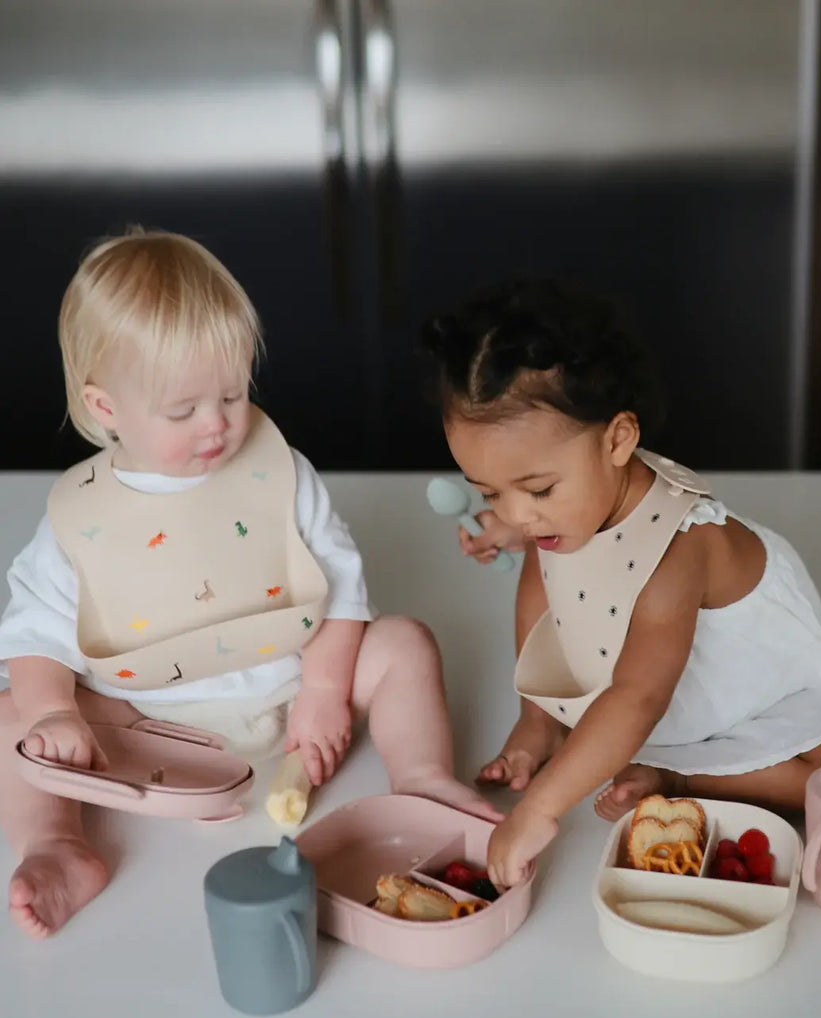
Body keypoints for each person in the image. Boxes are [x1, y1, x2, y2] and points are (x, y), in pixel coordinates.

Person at [0, 228, 496, 939]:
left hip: (285, 698)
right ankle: (58, 845)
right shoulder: (83, 519)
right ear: (106, 409)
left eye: (233, 394)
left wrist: (324, 692)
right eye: (184, 410)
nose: (218, 425)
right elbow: (33, 632)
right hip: (139, 729)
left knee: (402, 642)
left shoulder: (276, 473)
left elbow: (342, 589)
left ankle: (420, 779)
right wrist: (54, 713)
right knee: (11, 712)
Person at [423, 279, 821, 889]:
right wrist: (509, 527)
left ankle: (680, 780)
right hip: (649, 679)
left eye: (538, 489)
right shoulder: (567, 507)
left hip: (739, 688)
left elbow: (638, 698)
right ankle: (540, 718)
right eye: (490, 491)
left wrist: (541, 806)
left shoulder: (681, 549)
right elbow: (541, 536)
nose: (517, 511)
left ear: (619, 440)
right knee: (542, 555)